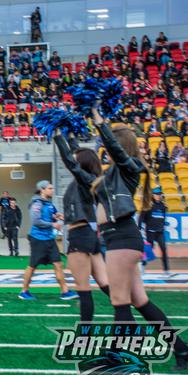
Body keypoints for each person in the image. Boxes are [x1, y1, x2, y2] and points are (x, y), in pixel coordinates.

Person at [90, 106, 188, 370]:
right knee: (141, 302)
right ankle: (182, 350)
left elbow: (113, 148)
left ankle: (117, 360)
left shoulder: (130, 167)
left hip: (121, 239)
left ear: (119, 146)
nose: (105, 149)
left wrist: (101, 123)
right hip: (119, 238)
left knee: (119, 302)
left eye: (110, 144)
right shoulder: (114, 174)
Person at [54, 132, 111, 321]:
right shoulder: (89, 178)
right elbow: (77, 153)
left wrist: (57, 136)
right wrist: (69, 134)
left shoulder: (85, 179)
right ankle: (128, 313)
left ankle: (84, 338)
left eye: (78, 160)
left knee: (84, 290)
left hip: (79, 235)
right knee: (104, 283)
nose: (74, 162)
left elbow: (71, 161)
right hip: (89, 236)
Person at [19, 180, 77, 301]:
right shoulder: (37, 204)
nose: (52, 190)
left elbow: (55, 214)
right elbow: (36, 221)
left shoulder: (49, 204)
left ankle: (65, 291)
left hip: (50, 239)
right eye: (50, 188)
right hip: (38, 239)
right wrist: (53, 224)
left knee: (58, 264)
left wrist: (60, 216)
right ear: (42, 190)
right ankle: (24, 291)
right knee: (32, 266)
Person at [138, 186, 169, 273]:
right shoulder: (148, 205)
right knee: (148, 251)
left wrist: (162, 226)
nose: (158, 196)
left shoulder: (163, 206)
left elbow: (163, 217)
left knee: (164, 249)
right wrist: (139, 228)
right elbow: (141, 217)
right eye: (156, 194)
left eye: (159, 194)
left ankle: (166, 270)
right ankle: (142, 267)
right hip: (150, 232)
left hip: (160, 232)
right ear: (153, 195)